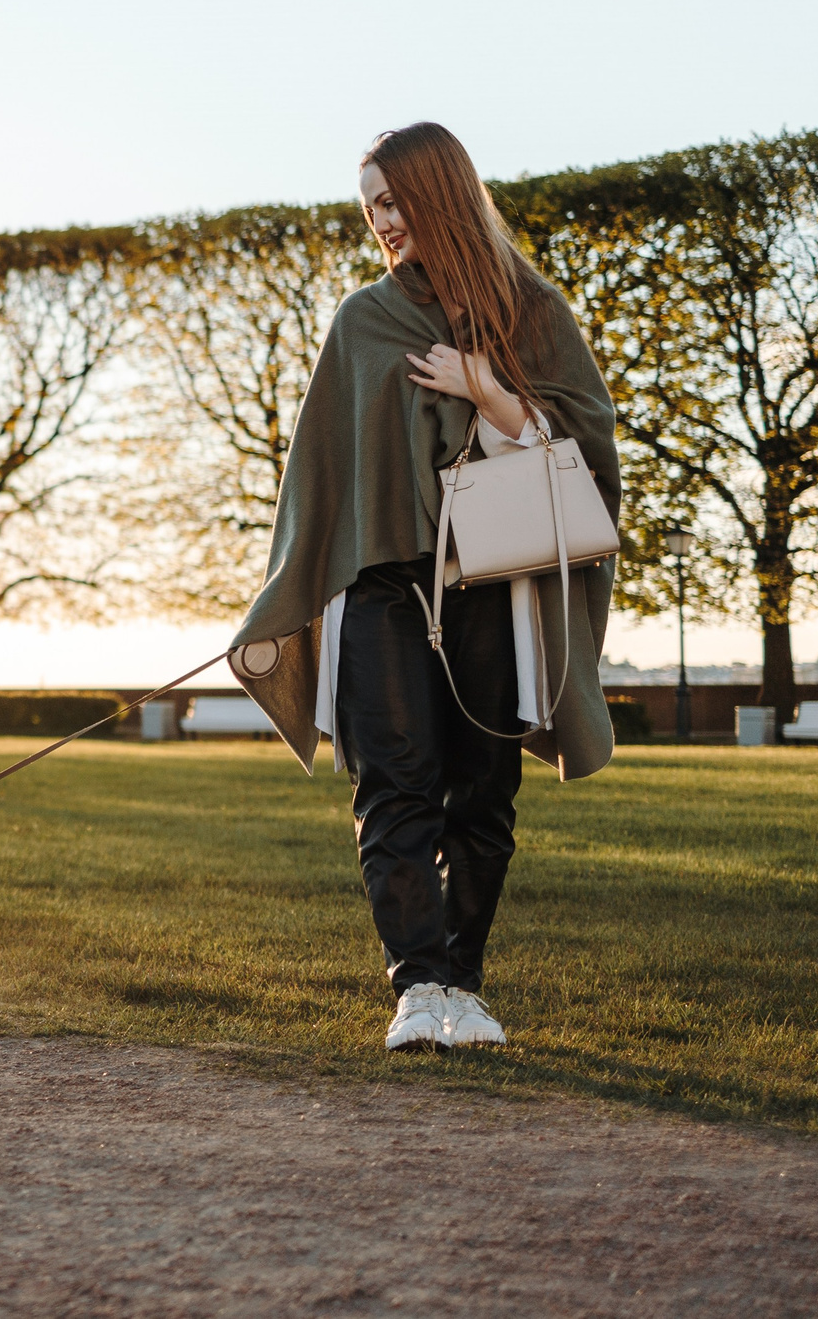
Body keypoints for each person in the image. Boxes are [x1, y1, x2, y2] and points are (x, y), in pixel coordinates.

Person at [226, 122, 622, 1052]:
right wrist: (284, 603)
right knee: (394, 786)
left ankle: (465, 986)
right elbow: (320, 480)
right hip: (383, 588)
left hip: (493, 584)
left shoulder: (531, 311)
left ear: (440, 191)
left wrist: (487, 389)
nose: (384, 223)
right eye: (371, 208)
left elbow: (587, 448)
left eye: (395, 201)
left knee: (483, 791)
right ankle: (418, 986)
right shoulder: (363, 320)